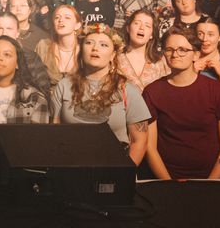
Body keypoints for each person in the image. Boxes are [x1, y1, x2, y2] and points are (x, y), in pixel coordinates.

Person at [142, 29, 220, 180]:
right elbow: (149, 147)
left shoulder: (216, 90)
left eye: (182, 50)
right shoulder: (152, 92)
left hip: (211, 180)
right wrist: (168, 184)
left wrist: (209, 185)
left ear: (196, 54)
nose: (175, 54)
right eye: (169, 49)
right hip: (166, 180)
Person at [50, 26, 151, 165]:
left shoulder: (126, 89)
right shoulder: (64, 85)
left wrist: (125, 173)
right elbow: (53, 134)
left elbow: (140, 141)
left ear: (113, 55)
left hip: (113, 167)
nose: (95, 48)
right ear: (81, 50)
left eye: (103, 45)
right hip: (71, 166)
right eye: (89, 43)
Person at [0, 35, 53, 176]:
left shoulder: (34, 98)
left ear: (18, 63)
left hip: (22, 175)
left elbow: (36, 140)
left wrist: (12, 162)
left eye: (7, 54)